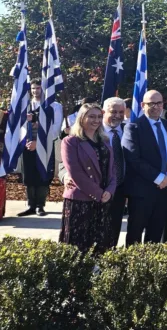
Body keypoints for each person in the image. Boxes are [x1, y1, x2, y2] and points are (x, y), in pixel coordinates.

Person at [60, 97, 127, 248]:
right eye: (91, 116)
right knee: (78, 245)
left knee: (101, 242)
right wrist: (98, 194)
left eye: (98, 116)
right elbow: (76, 173)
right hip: (81, 199)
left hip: (105, 198)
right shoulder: (71, 141)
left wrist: (109, 191)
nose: (96, 120)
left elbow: (112, 169)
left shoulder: (104, 140)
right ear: (82, 118)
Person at [123, 90, 167, 245]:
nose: (155, 107)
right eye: (151, 103)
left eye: (158, 103)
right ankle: (133, 268)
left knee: (156, 231)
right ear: (142, 105)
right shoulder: (133, 127)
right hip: (141, 191)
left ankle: (151, 267)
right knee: (135, 233)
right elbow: (133, 158)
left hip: (164, 189)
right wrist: (158, 177)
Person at [18, 79, 52, 217]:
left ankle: (40, 206)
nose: (35, 91)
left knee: (42, 175)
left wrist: (38, 142)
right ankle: (31, 206)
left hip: (44, 146)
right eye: (33, 88)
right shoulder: (25, 106)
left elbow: (54, 129)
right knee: (29, 175)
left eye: (38, 88)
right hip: (27, 145)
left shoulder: (51, 106)